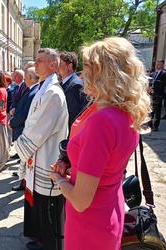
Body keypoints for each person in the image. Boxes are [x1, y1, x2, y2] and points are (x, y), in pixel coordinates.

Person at [50, 37, 151, 250]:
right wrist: (73, 170)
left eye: (87, 68)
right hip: (109, 208)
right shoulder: (124, 112)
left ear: (104, 74)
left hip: (89, 222)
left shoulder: (102, 120)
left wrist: (59, 180)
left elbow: (80, 200)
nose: (82, 74)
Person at [15, 48, 68, 250]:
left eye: (39, 61)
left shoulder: (53, 92)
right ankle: (40, 239)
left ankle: (50, 245)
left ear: (53, 65)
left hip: (46, 158)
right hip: (38, 156)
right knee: (37, 203)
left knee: (47, 208)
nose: (35, 64)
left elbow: (39, 129)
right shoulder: (43, 87)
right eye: (35, 61)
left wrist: (19, 146)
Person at [9, 67, 39, 192]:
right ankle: (24, 181)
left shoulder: (34, 91)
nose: (24, 78)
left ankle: (24, 183)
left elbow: (24, 115)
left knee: (26, 160)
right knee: (24, 160)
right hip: (22, 129)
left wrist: (12, 123)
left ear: (31, 77)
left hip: (23, 130)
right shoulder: (32, 89)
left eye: (26, 76)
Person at [58, 52, 87, 129]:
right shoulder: (62, 83)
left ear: (70, 66)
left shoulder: (75, 85)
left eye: (60, 64)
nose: (57, 67)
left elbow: (73, 115)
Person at [149, 60, 166, 131]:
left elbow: (163, 84)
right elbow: (151, 82)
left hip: (158, 94)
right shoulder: (154, 73)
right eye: (157, 64)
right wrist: (149, 87)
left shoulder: (164, 74)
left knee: (157, 111)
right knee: (151, 110)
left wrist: (154, 87)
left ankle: (156, 126)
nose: (157, 65)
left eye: (159, 64)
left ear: (162, 65)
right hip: (151, 93)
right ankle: (150, 125)